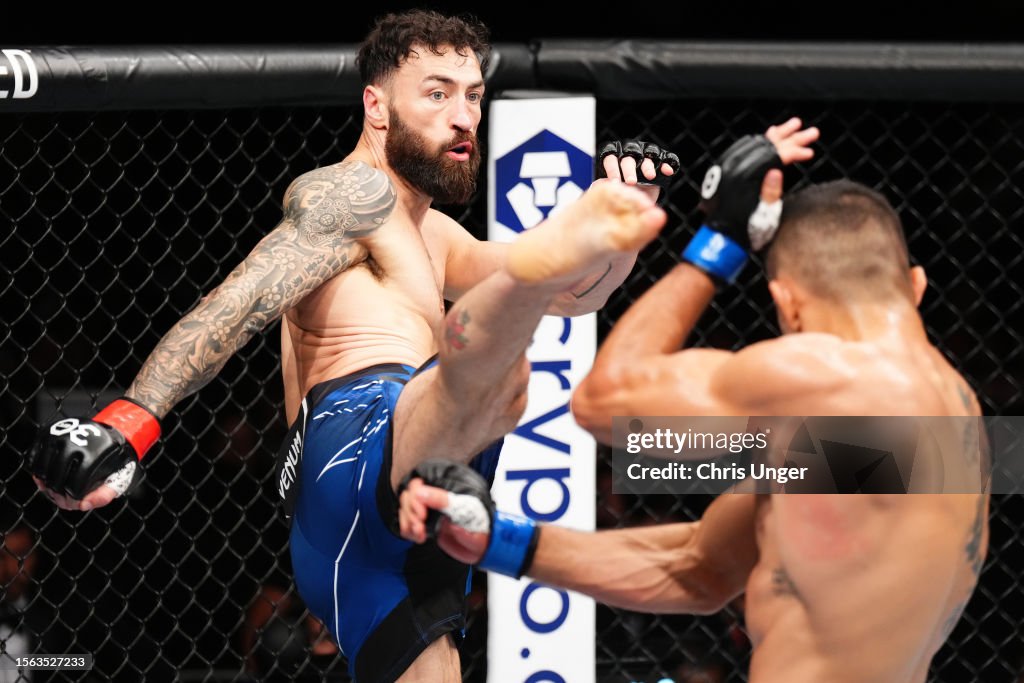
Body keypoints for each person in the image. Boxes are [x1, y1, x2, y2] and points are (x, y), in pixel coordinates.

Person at [27, 10, 675, 683]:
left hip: (365, 532)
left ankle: (554, 261)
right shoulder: (351, 195)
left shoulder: (438, 238)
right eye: (436, 92)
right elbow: (236, 305)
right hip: (356, 443)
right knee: (504, 367)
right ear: (376, 105)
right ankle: (541, 270)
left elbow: (578, 295)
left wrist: (627, 222)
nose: (463, 116)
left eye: (474, 95)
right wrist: (131, 420)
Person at [398, 119, 990, 682]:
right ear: (915, 284)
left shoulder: (836, 378)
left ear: (786, 303)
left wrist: (720, 243)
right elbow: (698, 570)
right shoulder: (944, 425)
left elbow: (605, 402)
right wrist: (498, 539)